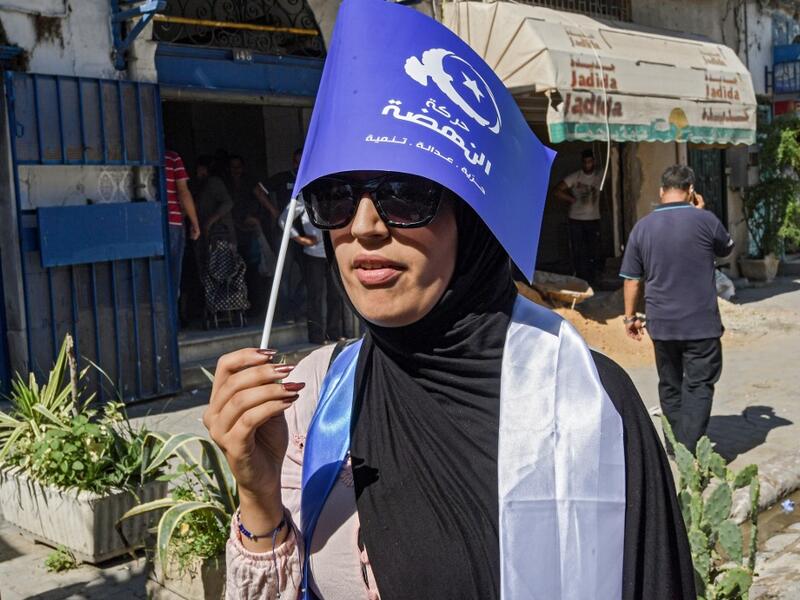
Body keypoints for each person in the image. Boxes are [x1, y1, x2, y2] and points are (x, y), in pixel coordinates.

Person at [203, 2, 695, 598]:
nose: (364, 228)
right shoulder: (313, 401)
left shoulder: (587, 402)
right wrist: (257, 496)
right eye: (335, 197)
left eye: (405, 195)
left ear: (473, 219)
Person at [620, 165, 734, 453]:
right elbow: (726, 248)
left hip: (662, 325)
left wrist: (630, 317)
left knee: (669, 385)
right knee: (698, 386)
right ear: (691, 191)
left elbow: (632, 280)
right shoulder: (705, 221)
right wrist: (701, 212)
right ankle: (690, 449)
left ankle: (674, 447)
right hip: (702, 326)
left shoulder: (642, 228)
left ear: (661, 191)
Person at [279, 195, 350, 344]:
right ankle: (316, 336)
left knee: (335, 295)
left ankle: (334, 333)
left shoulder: (337, 195)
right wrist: (299, 238)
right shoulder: (303, 198)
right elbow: (283, 219)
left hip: (334, 253)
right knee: (315, 296)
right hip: (313, 254)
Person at [228, 155, 272, 317]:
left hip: (250, 235)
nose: (236, 171)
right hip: (233, 235)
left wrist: (271, 214)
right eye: (233, 167)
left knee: (254, 274)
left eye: (238, 167)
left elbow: (259, 199)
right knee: (234, 274)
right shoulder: (227, 185)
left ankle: (257, 307)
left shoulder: (249, 183)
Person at [554, 149, 603, 283]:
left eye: (590, 161)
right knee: (578, 251)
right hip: (576, 219)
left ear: (594, 162)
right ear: (582, 163)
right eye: (585, 162)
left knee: (593, 251)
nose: (588, 164)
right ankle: (581, 279)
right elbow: (557, 191)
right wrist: (572, 199)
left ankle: (593, 279)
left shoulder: (600, 176)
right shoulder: (575, 177)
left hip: (593, 219)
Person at [165, 150, 200, 295]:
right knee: (172, 276)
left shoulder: (140, 157)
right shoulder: (172, 158)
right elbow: (183, 192)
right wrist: (195, 224)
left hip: (147, 222)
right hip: (173, 223)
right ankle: (171, 313)